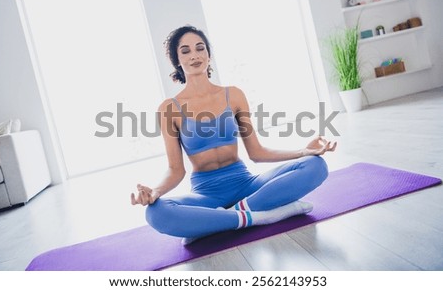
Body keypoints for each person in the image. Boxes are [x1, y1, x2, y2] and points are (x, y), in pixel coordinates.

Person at [131, 25, 336, 245]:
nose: (195, 55)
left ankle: (223, 220)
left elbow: (257, 152)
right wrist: (155, 191)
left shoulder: (234, 95)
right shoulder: (169, 108)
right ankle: (259, 213)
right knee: (155, 213)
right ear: (177, 61)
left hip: (246, 185)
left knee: (316, 165)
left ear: (209, 54)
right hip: (206, 195)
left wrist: (304, 151)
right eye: (186, 51)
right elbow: (175, 169)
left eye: (200, 48)